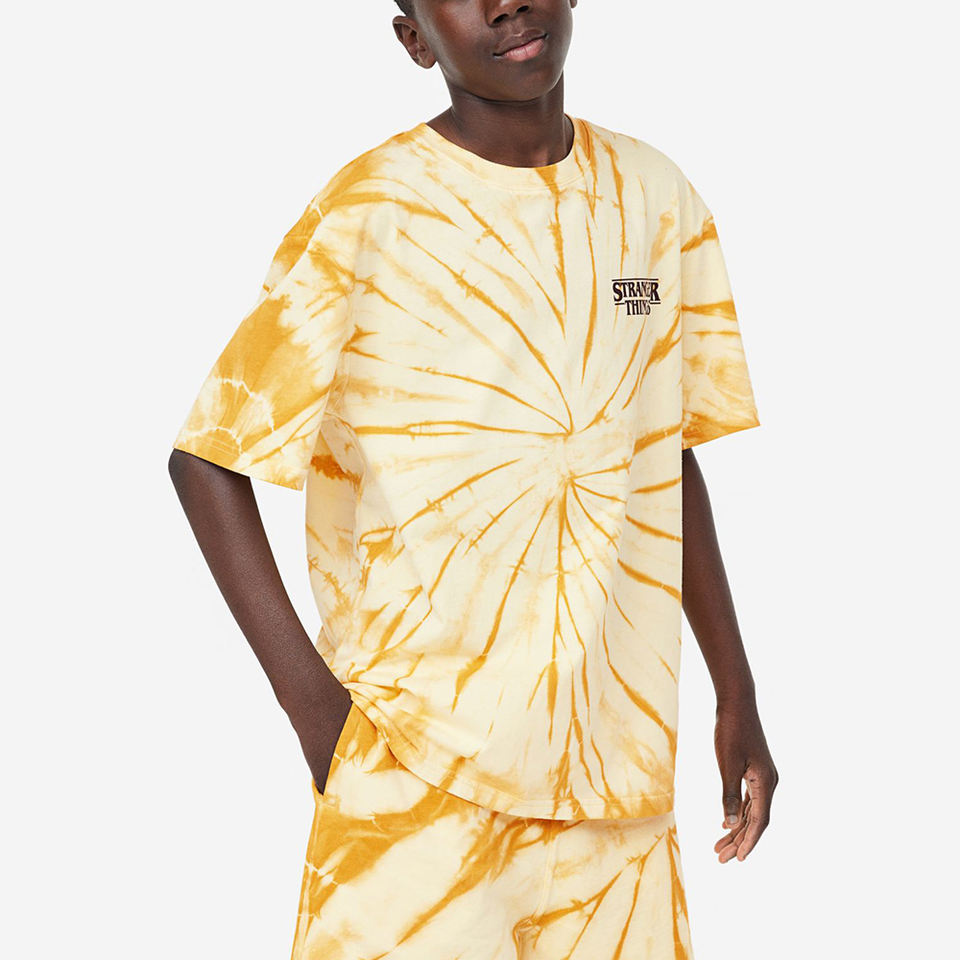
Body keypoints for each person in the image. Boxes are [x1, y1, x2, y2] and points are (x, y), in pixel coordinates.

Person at [168, 1, 779, 956]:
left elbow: (663, 451)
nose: (505, 3)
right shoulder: (372, 211)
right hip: (418, 766)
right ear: (415, 39)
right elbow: (208, 458)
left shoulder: (659, 201)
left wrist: (734, 689)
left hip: (612, 768)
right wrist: (320, 720)